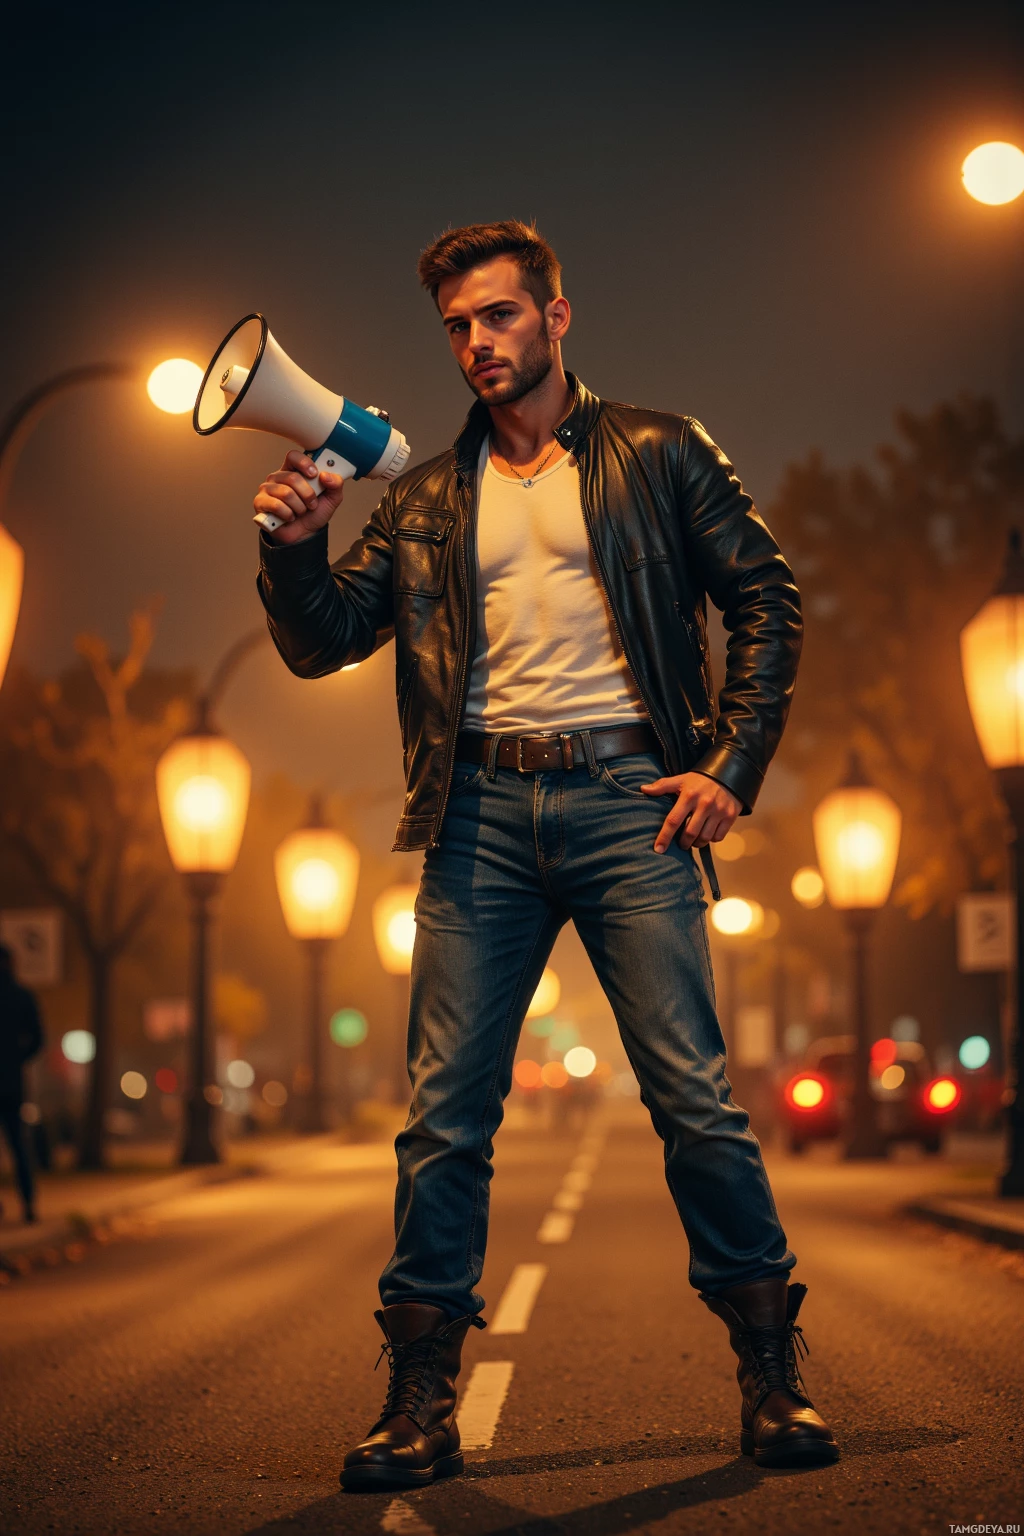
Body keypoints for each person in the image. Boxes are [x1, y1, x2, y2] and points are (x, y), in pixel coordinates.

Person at [254, 221, 837, 1488]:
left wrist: (728, 769)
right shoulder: (417, 501)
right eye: (459, 326)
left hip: (634, 800)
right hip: (475, 820)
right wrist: (292, 548)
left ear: (557, 319)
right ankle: (418, 1402)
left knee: (691, 1097)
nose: (477, 343)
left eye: (500, 317)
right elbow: (321, 641)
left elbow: (768, 597)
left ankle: (771, 1375)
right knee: (442, 1122)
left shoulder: (659, 452)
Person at [0, 943, 44, 1224]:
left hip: (10, 1080)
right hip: (12, 1084)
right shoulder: (22, 996)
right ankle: (28, 1203)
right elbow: (38, 1038)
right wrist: (18, 1057)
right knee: (19, 1146)